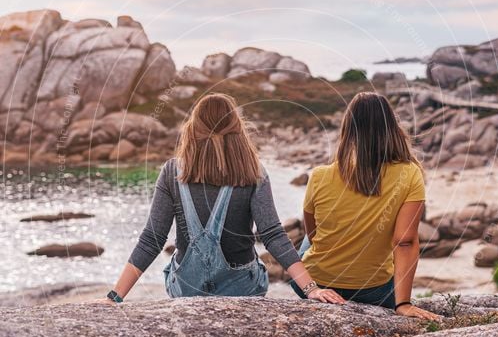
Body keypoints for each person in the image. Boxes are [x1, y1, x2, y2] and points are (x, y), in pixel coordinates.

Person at [104, 93, 344, 305]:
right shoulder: (254, 172)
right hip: (243, 289)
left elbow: (152, 239)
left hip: (187, 290)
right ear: (238, 130)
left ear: (192, 129)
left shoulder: (172, 172)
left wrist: (115, 297)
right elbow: (272, 235)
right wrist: (311, 289)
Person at [293, 92, 440, 320]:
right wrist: (402, 303)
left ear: (347, 130)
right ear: (391, 127)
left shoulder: (319, 175)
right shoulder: (410, 173)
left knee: (305, 241)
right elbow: (405, 241)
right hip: (375, 292)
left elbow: (313, 235)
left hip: (317, 283)